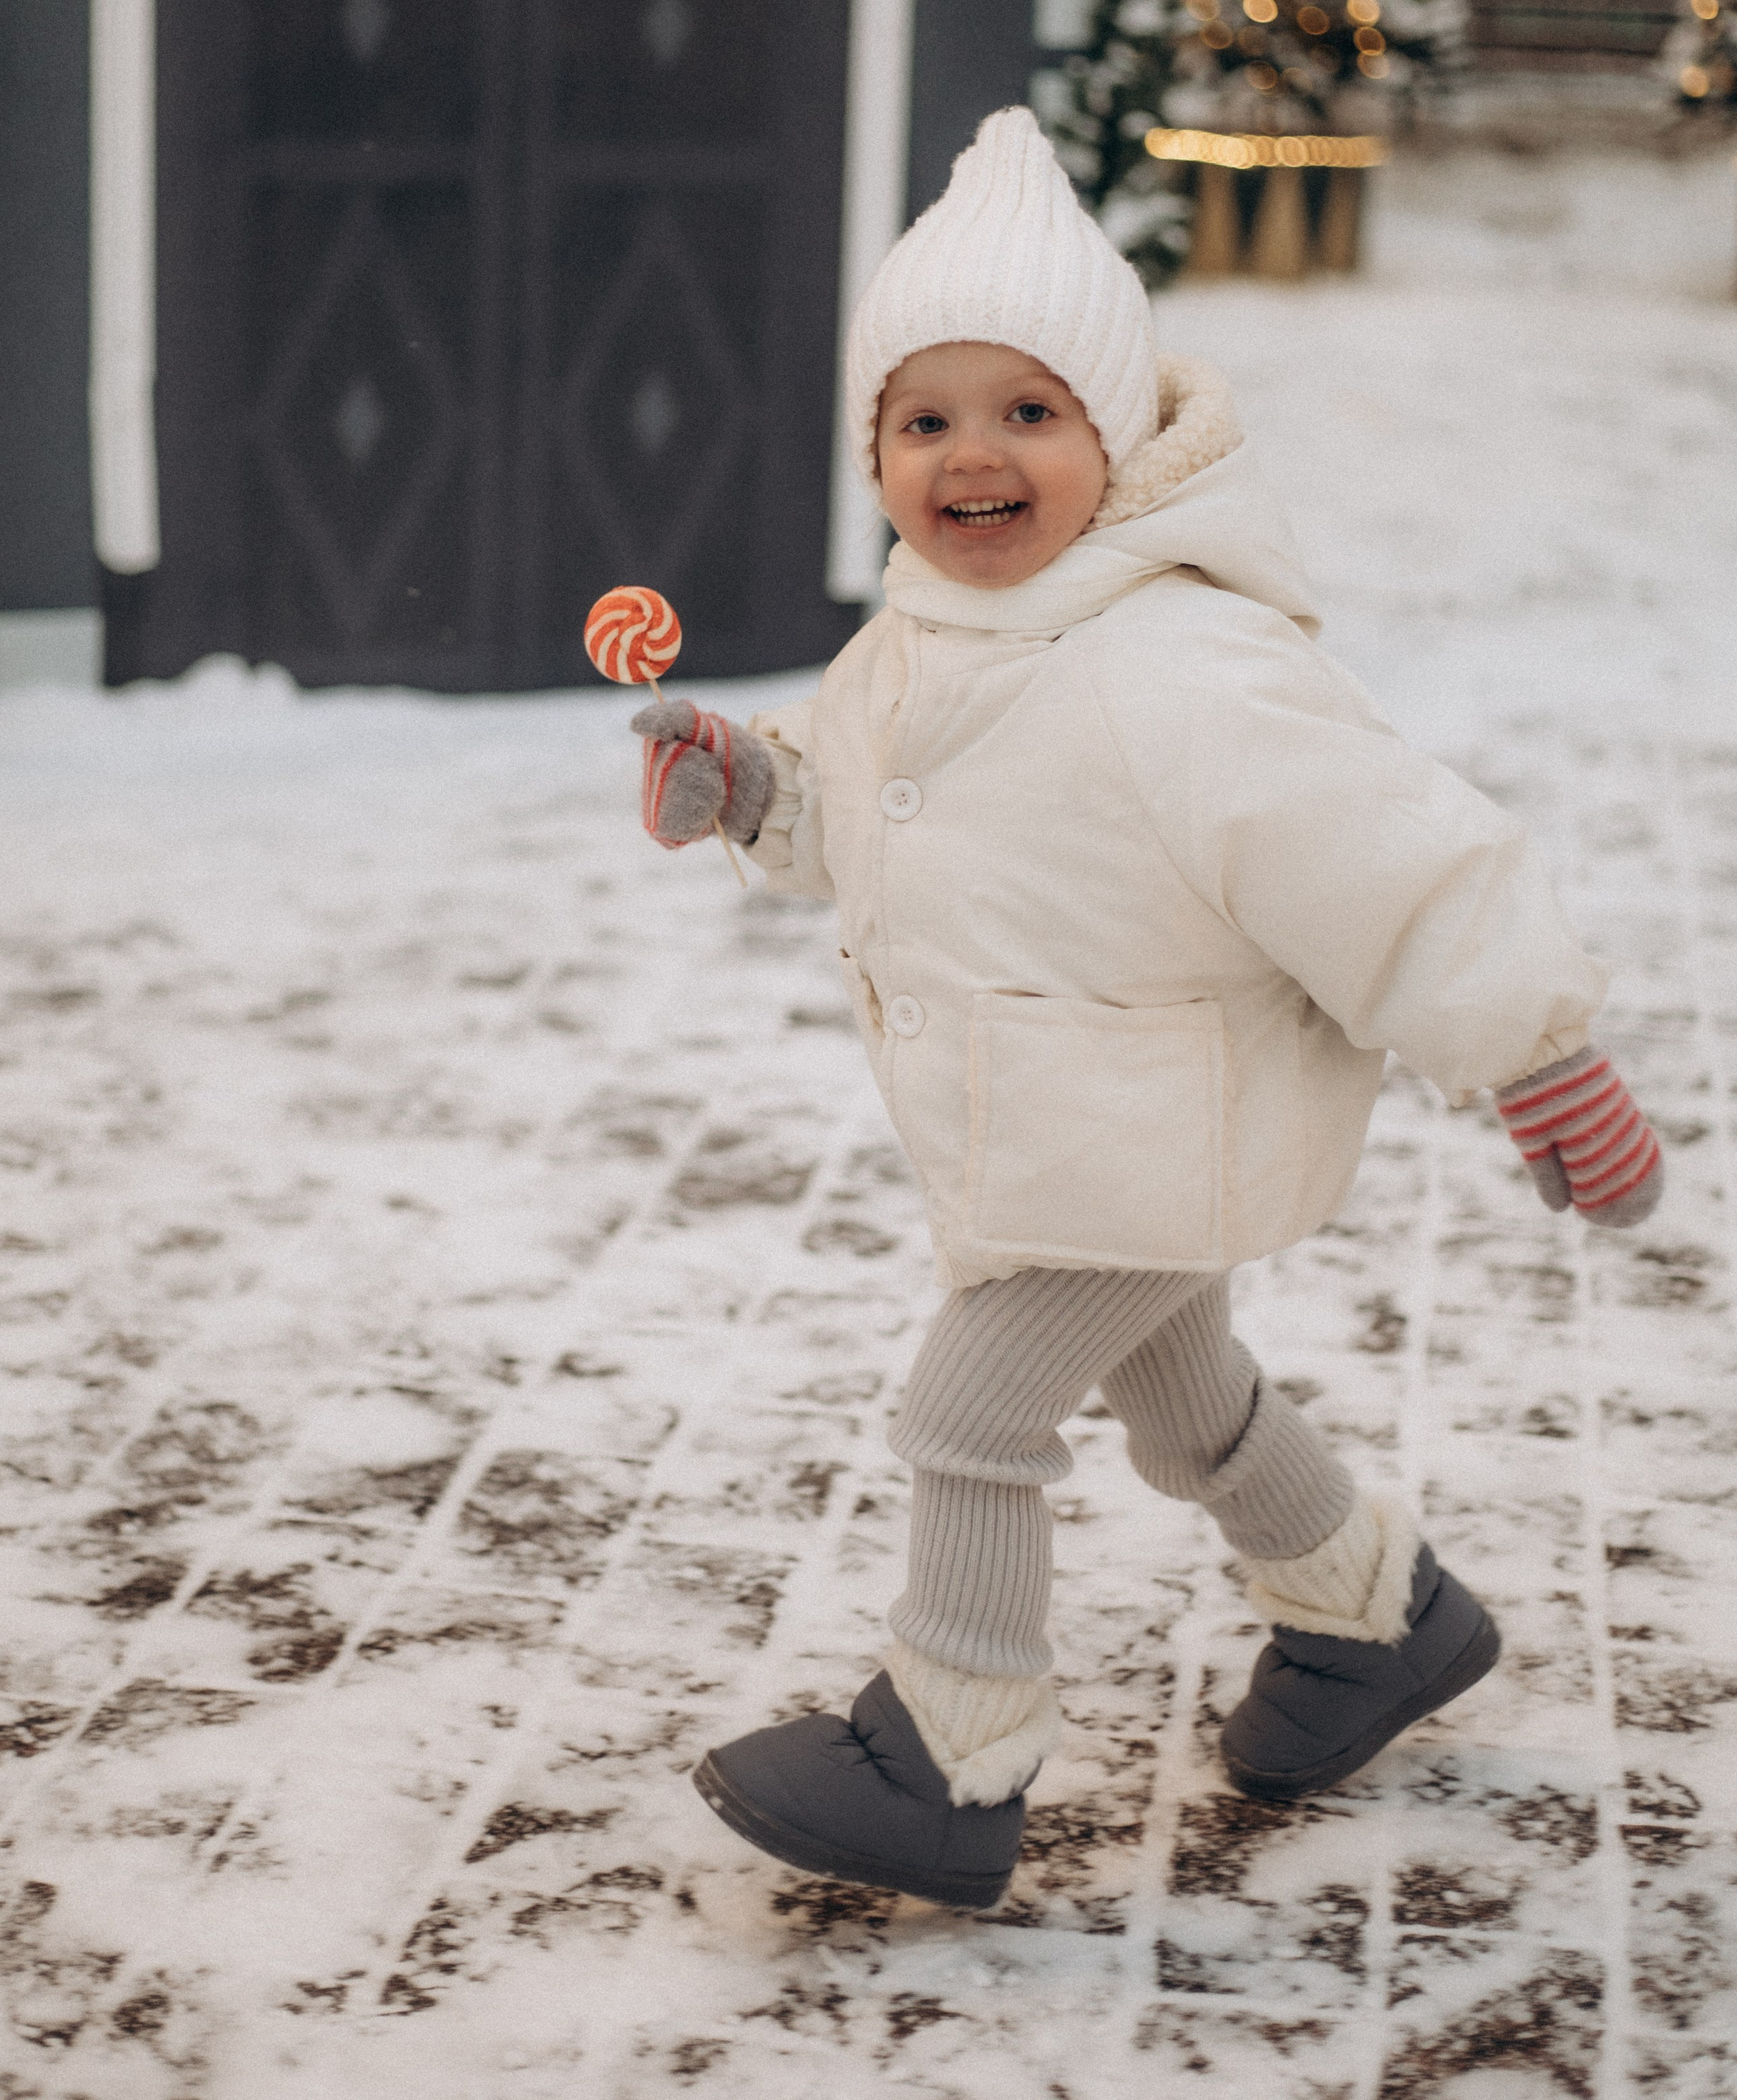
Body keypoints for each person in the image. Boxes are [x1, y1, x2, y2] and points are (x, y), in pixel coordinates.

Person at [629, 107, 1663, 1913]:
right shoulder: (915, 639)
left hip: (1145, 1132)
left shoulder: (1179, 663)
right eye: (925, 417)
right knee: (1184, 1407)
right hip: (1058, 1133)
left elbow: (1394, 856)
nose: (976, 458)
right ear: (872, 450)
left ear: (1114, 441)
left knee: (966, 1415)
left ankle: (944, 1755)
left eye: (1029, 413)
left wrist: (1540, 1054)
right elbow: (867, 817)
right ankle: (1372, 1620)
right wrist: (752, 786)